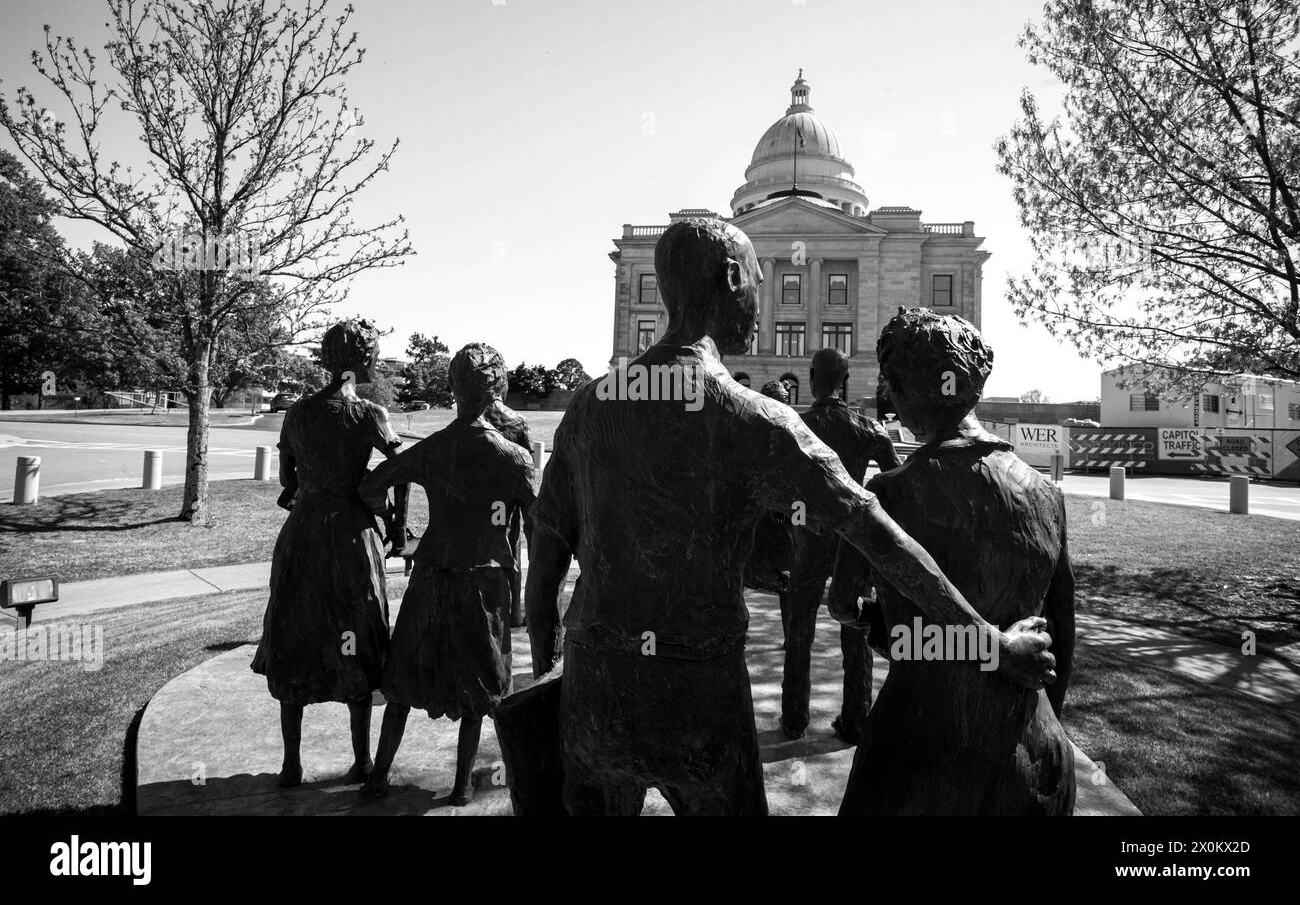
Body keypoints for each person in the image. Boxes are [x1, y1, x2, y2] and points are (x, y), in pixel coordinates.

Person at [524, 217, 1059, 816]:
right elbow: (878, 537)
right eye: (755, 279)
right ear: (731, 278)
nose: (758, 300)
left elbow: (544, 563)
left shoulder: (590, 406)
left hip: (595, 687)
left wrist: (547, 673)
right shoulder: (755, 420)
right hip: (696, 695)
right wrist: (986, 642)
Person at [834, 308, 1076, 815]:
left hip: (920, 743)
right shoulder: (1047, 495)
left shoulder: (887, 495)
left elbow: (842, 601)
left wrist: (880, 624)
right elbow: (1064, 630)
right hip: (1033, 741)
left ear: (899, 392)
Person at [359, 343, 538, 806]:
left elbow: (372, 485)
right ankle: (461, 785)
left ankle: (379, 776)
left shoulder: (434, 449)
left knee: (403, 680)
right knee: (479, 683)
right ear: (494, 390)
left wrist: (398, 529)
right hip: (483, 582)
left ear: (454, 390)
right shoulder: (515, 459)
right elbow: (540, 527)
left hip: (434, 574)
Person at [251, 317, 406, 788]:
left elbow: (286, 480)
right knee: (355, 631)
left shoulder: (297, 414)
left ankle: (291, 765)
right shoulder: (369, 415)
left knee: (295, 630)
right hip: (351, 538)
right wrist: (397, 528)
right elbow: (399, 470)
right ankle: (361, 761)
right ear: (363, 362)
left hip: (303, 536)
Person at [781, 347, 900, 744]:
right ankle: (856, 719)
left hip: (809, 539)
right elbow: (895, 483)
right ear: (844, 381)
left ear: (813, 376)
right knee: (856, 630)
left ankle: (795, 718)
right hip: (852, 540)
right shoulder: (868, 428)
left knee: (799, 632)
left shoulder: (795, 424)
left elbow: (773, 487)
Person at [744, 379, 796, 639]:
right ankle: (740, 629)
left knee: (784, 579)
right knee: (743, 572)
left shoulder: (790, 431)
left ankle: (788, 636)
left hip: (773, 516)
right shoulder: (757, 429)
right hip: (765, 514)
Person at [484, 392, 534, 628]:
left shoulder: (473, 416)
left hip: (481, 498)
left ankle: (489, 610)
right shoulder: (518, 420)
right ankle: (513, 613)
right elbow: (528, 463)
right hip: (510, 498)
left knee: (483, 554)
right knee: (511, 549)